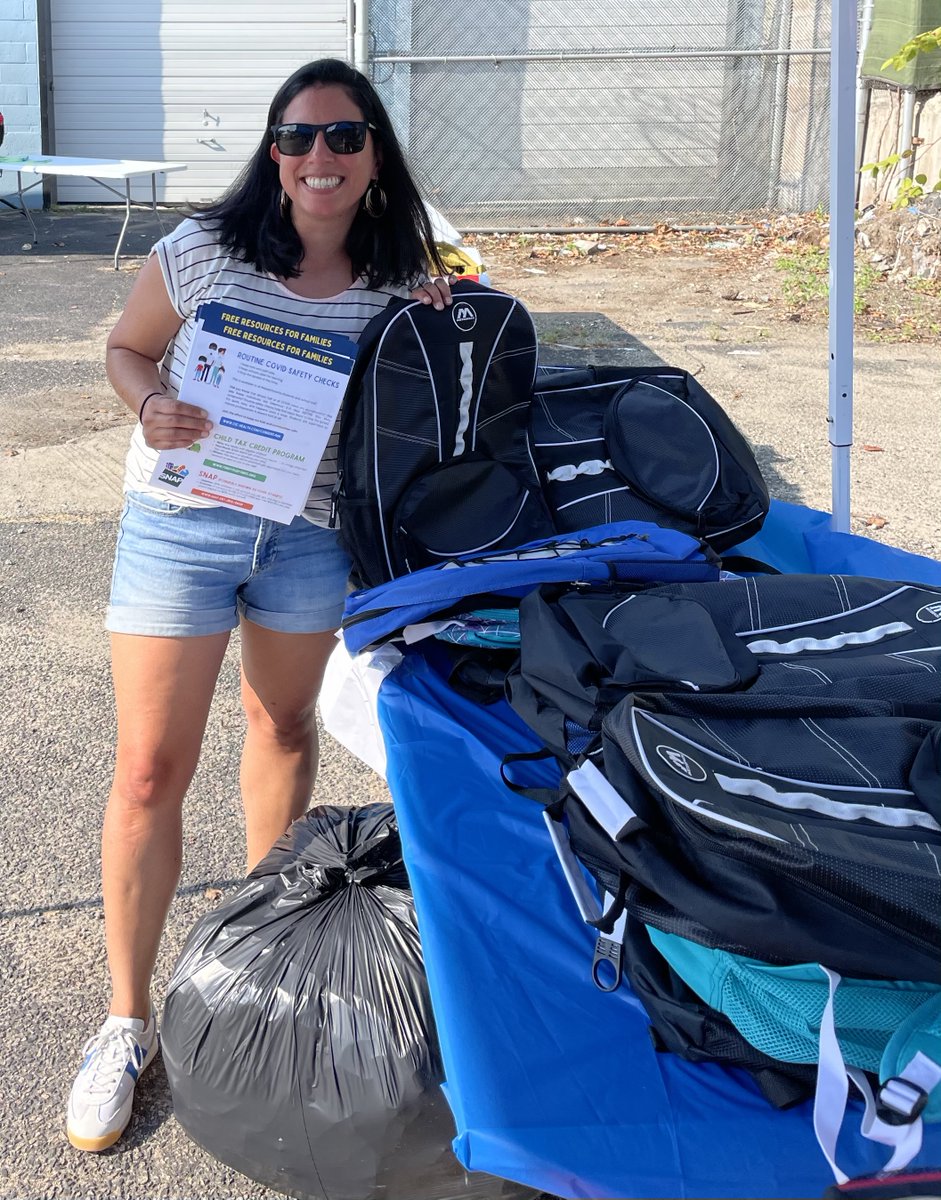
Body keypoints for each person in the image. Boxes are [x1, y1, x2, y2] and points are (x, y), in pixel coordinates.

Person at [66, 57, 452, 1153]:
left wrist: (436, 311)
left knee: (282, 726)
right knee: (148, 769)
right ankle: (126, 1020)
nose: (317, 158)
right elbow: (126, 349)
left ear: (374, 153)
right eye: (296, 138)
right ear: (270, 154)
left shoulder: (399, 273)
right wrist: (150, 406)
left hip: (309, 539)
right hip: (182, 527)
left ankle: (255, 967)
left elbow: (433, 389)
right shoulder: (202, 252)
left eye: (342, 137)